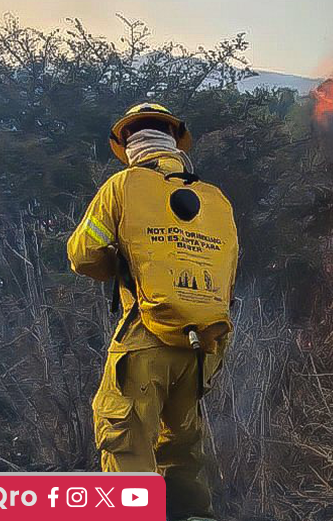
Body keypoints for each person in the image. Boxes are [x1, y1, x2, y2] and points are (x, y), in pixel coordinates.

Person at [67, 103, 239, 521]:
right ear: (175, 143)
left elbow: (82, 254)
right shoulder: (215, 199)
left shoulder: (124, 185)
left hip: (146, 337)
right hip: (205, 345)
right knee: (181, 448)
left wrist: (124, 265)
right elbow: (228, 270)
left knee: (125, 439)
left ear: (127, 145)